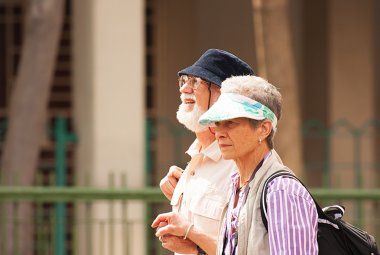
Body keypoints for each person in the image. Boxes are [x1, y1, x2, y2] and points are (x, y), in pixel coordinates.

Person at [153, 75, 319, 254]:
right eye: (217, 123)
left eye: (231, 123)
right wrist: (196, 248)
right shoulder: (237, 186)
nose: (219, 133)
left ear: (263, 129)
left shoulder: (281, 191)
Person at [156, 49, 254, 255]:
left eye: (196, 82)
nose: (185, 89)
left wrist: (195, 248)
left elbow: (251, 249)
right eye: (184, 80)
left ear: (223, 97)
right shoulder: (196, 157)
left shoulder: (239, 163)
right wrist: (184, 190)